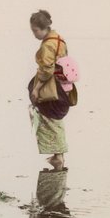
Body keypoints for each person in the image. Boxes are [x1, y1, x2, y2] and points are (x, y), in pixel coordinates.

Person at [28, 9, 70, 171]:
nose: (34, 34)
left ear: (44, 28)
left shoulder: (47, 45)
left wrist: (36, 89)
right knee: (56, 120)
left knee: (49, 120)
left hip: (51, 88)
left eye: (35, 30)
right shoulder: (58, 39)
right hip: (62, 86)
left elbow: (46, 70)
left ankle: (58, 157)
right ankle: (58, 156)